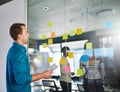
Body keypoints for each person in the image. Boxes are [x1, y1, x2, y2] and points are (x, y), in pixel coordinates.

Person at [6, 23, 53, 92]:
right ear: (20, 36)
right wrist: (43, 75)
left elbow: (23, 75)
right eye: (26, 32)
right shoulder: (18, 53)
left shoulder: (14, 50)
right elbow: (22, 79)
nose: (28, 34)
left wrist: (41, 73)